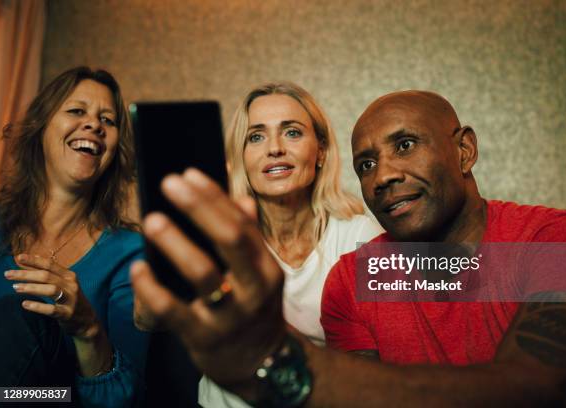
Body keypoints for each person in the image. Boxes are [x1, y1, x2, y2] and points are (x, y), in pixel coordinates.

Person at [130, 90, 566, 406]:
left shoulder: (564, 239)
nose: (383, 176)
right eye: (367, 164)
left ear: (464, 151)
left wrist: (276, 357)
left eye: (405, 145)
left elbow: (554, 388)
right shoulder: (359, 276)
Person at [133, 82, 383, 407]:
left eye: (292, 132)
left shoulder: (359, 235)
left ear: (320, 150)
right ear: (241, 157)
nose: (274, 148)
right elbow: (145, 318)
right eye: (256, 136)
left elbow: (392, 346)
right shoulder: (222, 233)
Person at [0, 66, 149, 407]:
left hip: (57, 399)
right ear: (41, 127)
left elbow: (128, 398)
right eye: (77, 111)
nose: (94, 124)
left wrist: (87, 328)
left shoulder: (131, 254)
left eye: (107, 120)